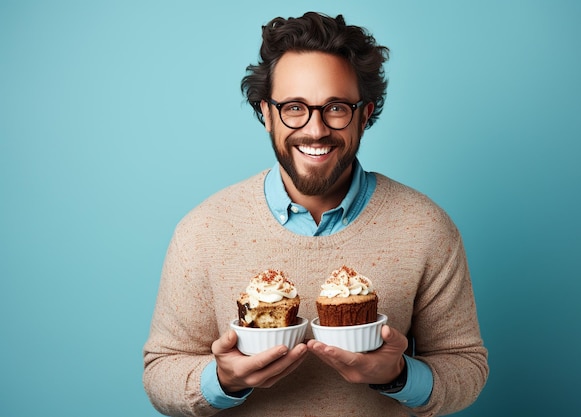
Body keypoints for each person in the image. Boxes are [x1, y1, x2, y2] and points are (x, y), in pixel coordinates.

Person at [143, 11, 488, 417]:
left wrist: (398, 375)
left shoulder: (425, 226)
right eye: (294, 107)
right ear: (266, 112)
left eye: (336, 108)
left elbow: (466, 364)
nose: (316, 129)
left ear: (364, 114)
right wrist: (223, 381)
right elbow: (161, 371)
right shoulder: (203, 229)